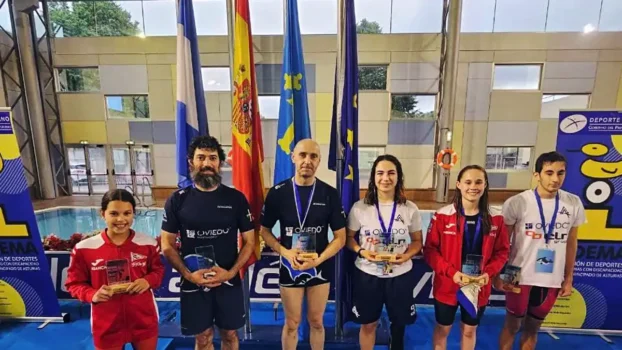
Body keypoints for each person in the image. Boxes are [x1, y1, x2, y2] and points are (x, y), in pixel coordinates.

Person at [159, 136, 256, 350]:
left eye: (212, 158)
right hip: (193, 281)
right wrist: (188, 275)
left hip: (228, 281)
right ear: (191, 162)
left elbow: (250, 241)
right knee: (202, 338)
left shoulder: (236, 199)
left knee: (230, 335)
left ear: (219, 163)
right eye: (201, 157)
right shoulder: (177, 200)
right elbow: (167, 244)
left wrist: (230, 273)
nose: (206, 163)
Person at [260, 139, 346, 350]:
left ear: (318, 161)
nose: (307, 161)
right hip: (290, 265)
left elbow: (340, 237)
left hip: (320, 264)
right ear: (293, 157)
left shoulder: (329, 193)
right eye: (303, 155)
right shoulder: (278, 193)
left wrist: (320, 258)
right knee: (292, 323)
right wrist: (285, 253)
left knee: (316, 322)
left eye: (313, 156)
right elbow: (264, 231)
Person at [498, 152, 586, 350]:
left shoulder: (573, 203)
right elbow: (502, 244)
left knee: (532, 327)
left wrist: (569, 277)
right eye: (549, 172)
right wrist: (500, 274)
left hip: (550, 278)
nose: (555, 179)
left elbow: (571, 243)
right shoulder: (517, 202)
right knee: (512, 325)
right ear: (536, 174)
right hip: (518, 275)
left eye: (560, 173)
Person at [65, 189, 164, 350]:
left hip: (143, 321)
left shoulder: (148, 244)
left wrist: (147, 281)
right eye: (114, 213)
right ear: (102, 214)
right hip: (106, 324)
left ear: (134, 214)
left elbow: (158, 272)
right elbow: (74, 284)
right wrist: (92, 294)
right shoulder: (84, 249)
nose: (121, 219)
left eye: (127, 213)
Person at [424, 165, 510, 350]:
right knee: (443, 329)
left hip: (478, 286)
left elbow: (502, 251)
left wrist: (489, 273)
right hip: (448, 285)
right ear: (459, 185)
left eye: (478, 182)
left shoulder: (496, 218)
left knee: (469, 330)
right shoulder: (442, 216)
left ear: (485, 185)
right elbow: (430, 250)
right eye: (468, 182)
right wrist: (451, 273)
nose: (473, 186)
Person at [345, 155, 423, 350]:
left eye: (391, 173)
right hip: (368, 274)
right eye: (380, 173)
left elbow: (417, 242)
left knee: (399, 325)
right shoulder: (360, 208)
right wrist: (361, 251)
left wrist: (406, 256)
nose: (385, 178)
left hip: (400, 275)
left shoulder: (409, 208)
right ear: (373, 177)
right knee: (368, 324)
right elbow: (348, 239)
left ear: (398, 177)